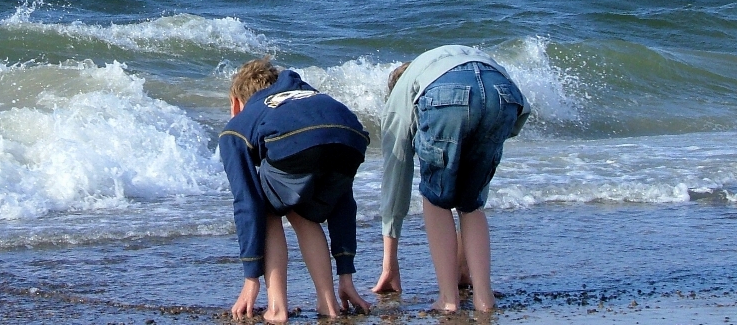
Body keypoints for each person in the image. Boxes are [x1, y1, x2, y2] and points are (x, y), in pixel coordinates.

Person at [372, 45, 530, 313]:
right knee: (471, 201)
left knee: (437, 196)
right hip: (504, 92)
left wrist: (389, 264)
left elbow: (396, 173)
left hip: (448, 95)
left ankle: (448, 299)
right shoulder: (437, 61)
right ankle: (483, 297)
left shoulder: (402, 94)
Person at [219, 58, 372, 322]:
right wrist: (346, 273)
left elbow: (247, 202)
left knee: (265, 204)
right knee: (301, 210)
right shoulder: (307, 98)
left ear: (235, 103)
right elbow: (344, 202)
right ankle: (329, 303)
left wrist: (251, 278)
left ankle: (277, 308)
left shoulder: (240, 123)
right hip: (351, 137)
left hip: (296, 141)